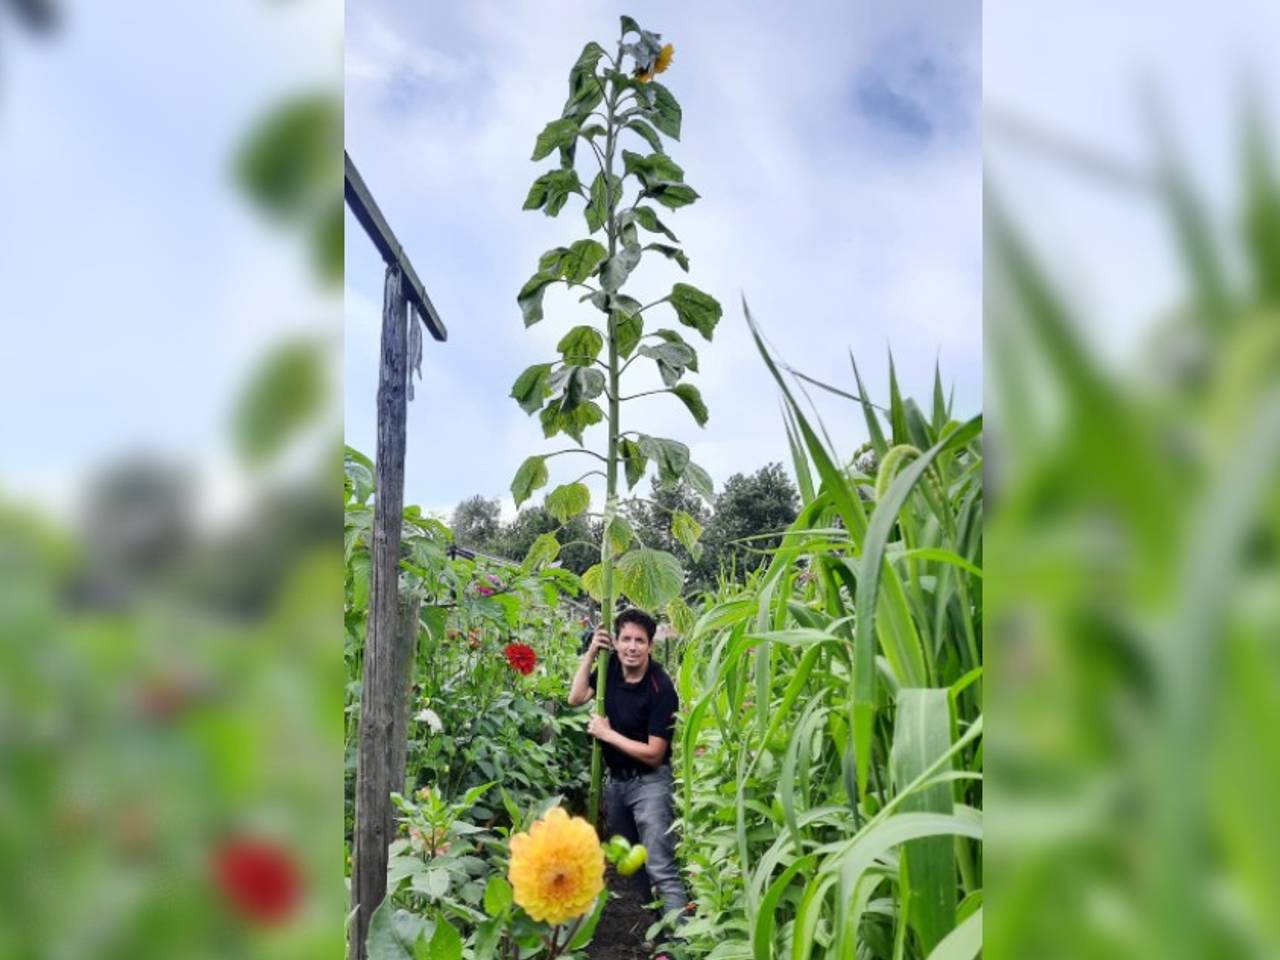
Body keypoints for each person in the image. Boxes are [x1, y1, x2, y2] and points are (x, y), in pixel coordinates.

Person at [568, 607, 690, 936]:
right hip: (616, 784)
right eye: (626, 639)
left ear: (650, 645)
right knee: (632, 867)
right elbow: (576, 697)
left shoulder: (661, 688)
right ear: (617, 643)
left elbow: (654, 754)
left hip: (650, 785)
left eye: (640, 640)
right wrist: (592, 653)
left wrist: (607, 734)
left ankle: (678, 944)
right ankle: (660, 929)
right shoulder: (610, 673)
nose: (632, 647)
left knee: (660, 866)